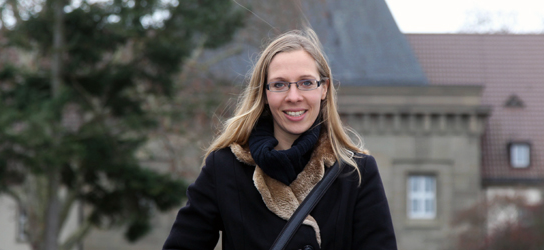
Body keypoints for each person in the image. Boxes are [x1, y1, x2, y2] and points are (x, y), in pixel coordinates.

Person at [162, 28, 397, 250]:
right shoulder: (223, 168)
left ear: (323, 89)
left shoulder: (356, 172)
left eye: (306, 83)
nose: (293, 97)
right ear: (264, 94)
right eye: (279, 85)